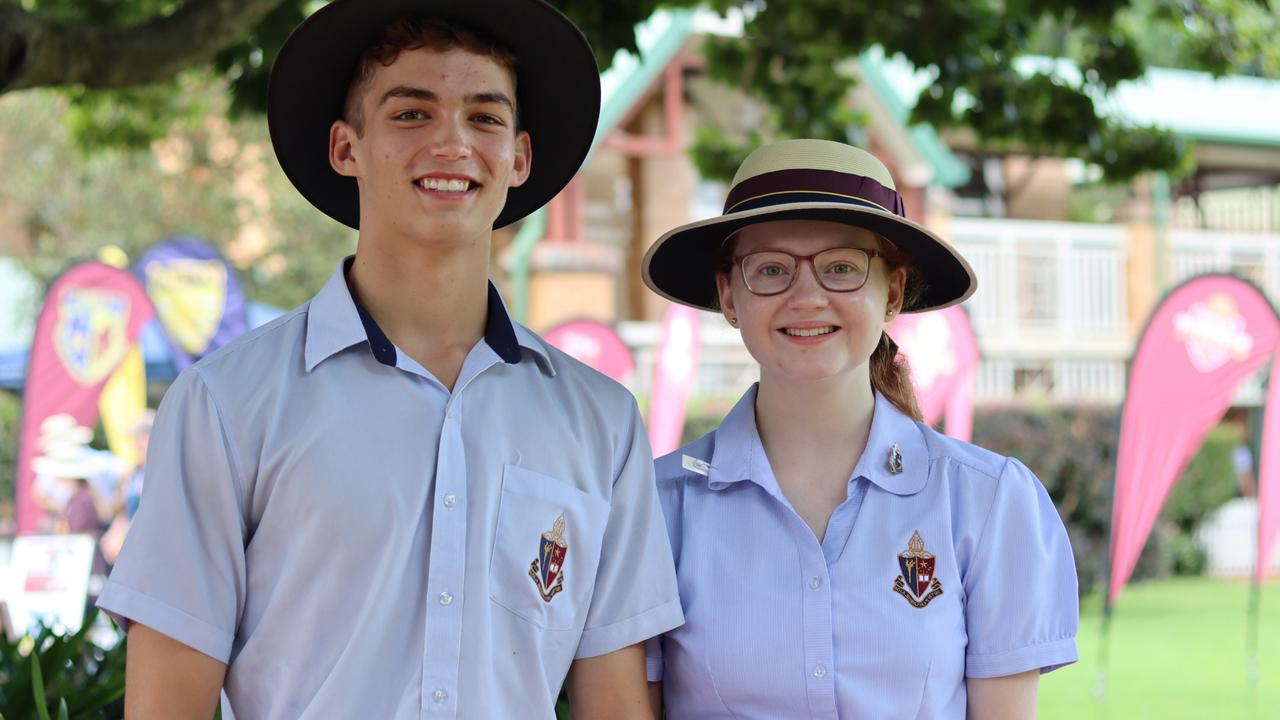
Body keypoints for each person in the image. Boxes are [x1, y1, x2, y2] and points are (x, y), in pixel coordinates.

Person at [97, 2, 682, 718]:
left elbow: (616, 705)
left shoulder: (601, 421)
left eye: (485, 117)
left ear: (519, 157)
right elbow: (167, 704)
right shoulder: (225, 404)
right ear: (346, 148)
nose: (451, 143)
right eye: (412, 114)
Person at [641, 139, 1078, 718]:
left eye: (842, 267)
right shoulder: (653, 509)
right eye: (770, 269)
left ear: (892, 292)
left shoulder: (986, 502)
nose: (807, 296)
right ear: (729, 294)